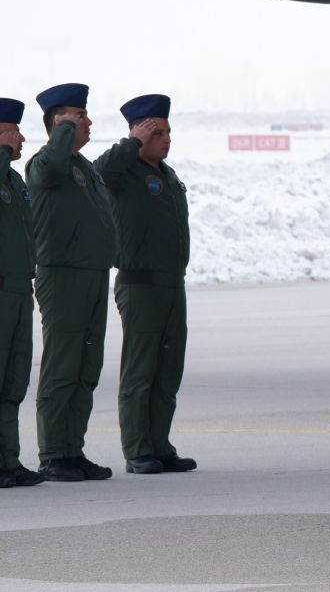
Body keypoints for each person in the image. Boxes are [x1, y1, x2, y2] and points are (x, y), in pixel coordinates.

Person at [93, 94, 196, 475]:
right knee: (141, 370)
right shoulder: (124, 173)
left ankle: (159, 444)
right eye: (157, 133)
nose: (165, 139)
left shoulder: (167, 174)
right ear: (138, 133)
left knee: (168, 367)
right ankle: (138, 449)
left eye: (168, 132)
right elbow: (100, 170)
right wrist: (132, 142)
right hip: (141, 285)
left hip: (172, 283)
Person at [27, 83, 117, 482]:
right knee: (62, 367)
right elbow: (49, 167)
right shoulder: (44, 164)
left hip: (92, 274)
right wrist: (62, 129)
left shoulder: (83, 167)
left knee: (85, 367)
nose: (89, 121)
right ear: (60, 121)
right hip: (62, 275)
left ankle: (71, 449)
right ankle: (53, 455)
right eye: (80, 116)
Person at [0, 98, 42, 488]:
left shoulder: (13, 180)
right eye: (13, 131)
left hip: (16, 289)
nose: (21, 139)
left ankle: (8, 461)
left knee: (13, 380)